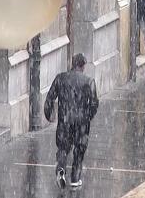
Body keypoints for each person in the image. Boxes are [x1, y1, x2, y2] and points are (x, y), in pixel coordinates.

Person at [44, 53, 99, 189]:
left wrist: (49, 115)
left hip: (65, 119)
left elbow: (50, 98)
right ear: (83, 66)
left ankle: (61, 169)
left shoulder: (60, 78)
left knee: (63, 147)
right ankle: (75, 177)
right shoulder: (88, 81)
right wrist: (88, 116)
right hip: (81, 121)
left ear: (72, 64)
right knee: (79, 150)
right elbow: (94, 103)